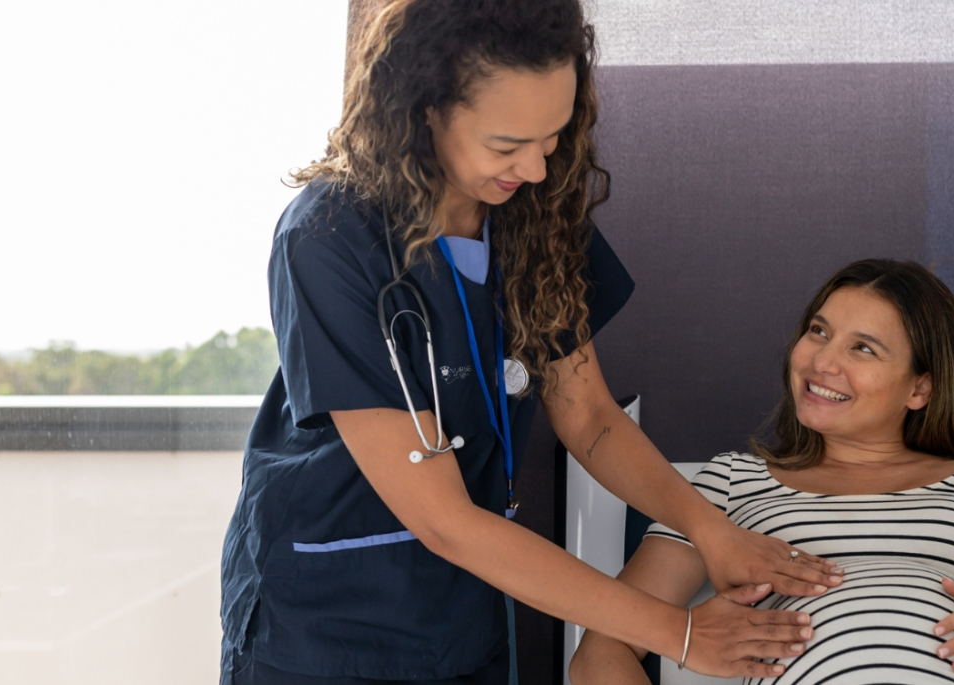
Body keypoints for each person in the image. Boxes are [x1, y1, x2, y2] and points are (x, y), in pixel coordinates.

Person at [218, 2, 845, 684]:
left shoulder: (532, 211)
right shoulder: (330, 238)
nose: (537, 169)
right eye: (507, 145)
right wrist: (682, 632)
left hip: (464, 614)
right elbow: (445, 521)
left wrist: (711, 529)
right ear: (423, 110)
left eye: (551, 139)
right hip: (323, 626)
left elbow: (590, 417)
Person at [571, 259, 954, 685]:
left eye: (863, 348)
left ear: (920, 388)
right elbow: (601, 652)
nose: (822, 361)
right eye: (818, 331)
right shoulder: (731, 484)